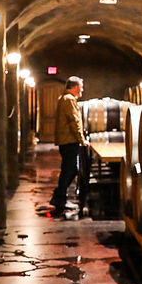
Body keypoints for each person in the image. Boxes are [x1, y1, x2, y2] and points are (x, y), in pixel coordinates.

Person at [50, 76, 86, 216]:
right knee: (70, 170)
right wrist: (82, 140)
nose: (82, 89)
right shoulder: (69, 100)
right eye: (81, 86)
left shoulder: (65, 99)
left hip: (67, 141)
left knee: (70, 169)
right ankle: (59, 198)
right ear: (75, 87)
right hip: (69, 141)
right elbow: (74, 121)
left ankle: (59, 198)